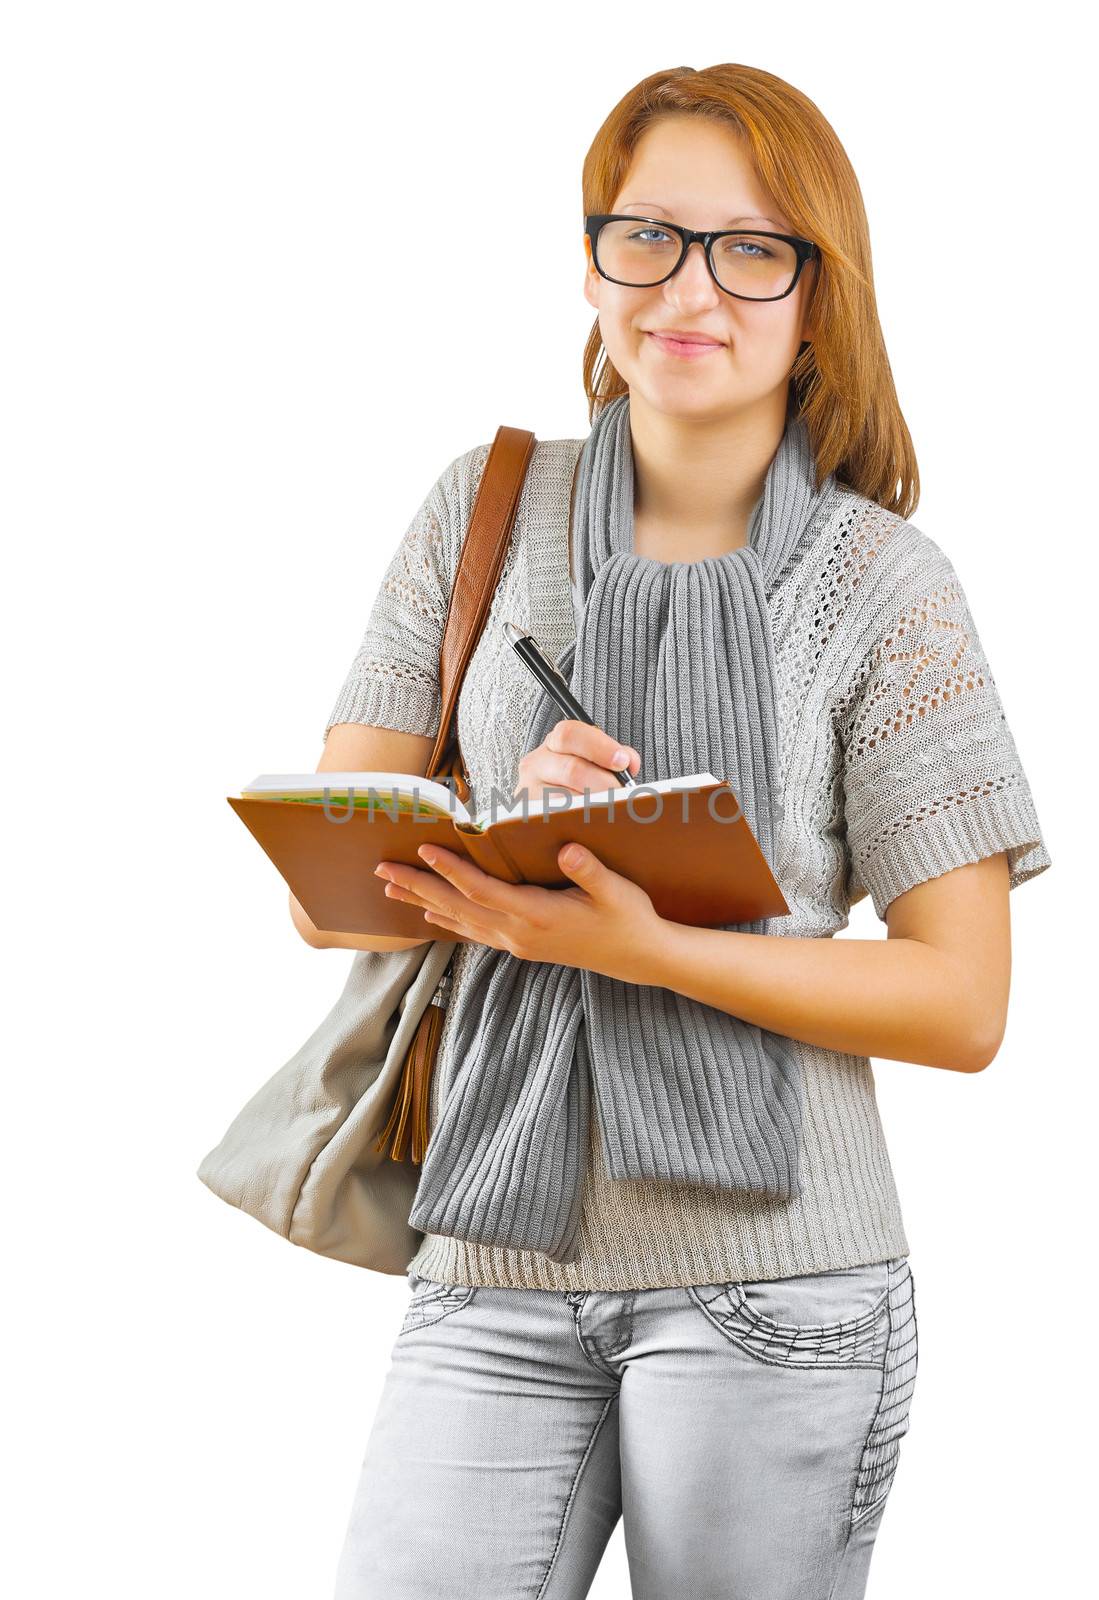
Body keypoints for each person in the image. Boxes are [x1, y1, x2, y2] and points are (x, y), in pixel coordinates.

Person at [294, 63, 1052, 1600]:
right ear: (592, 262)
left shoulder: (886, 584)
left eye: (749, 248)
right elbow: (331, 901)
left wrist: (647, 948)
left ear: (817, 298)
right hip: (493, 1259)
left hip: (784, 1283)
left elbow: (961, 1003)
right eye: (647, 237)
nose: (688, 288)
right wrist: (510, 834)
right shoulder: (479, 510)